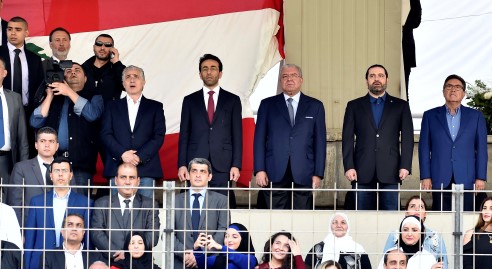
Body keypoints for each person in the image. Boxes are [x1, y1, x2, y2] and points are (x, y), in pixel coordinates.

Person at [342, 64, 414, 210]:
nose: (377, 79)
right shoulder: (354, 106)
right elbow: (347, 139)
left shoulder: (400, 106)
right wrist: (349, 166)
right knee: (362, 217)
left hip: (391, 171)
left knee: (390, 217)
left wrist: (405, 166)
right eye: (372, 76)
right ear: (366, 81)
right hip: (361, 171)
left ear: (387, 79)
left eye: (381, 76)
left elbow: (408, 138)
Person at [254, 63, 326, 209]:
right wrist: (260, 170)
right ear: (281, 80)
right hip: (274, 169)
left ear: (301, 80)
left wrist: (318, 174)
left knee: (302, 216)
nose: (289, 79)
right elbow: (259, 140)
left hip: (304, 170)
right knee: (275, 216)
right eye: (285, 76)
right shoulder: (267, 105)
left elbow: (320, 143)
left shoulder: (315, 106)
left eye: (294, 75)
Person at [178, 54, 243, 206]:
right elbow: (184, 135)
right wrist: (182, 164)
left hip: (223, 164)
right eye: (205, 69)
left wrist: (236, 165)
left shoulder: (232, 100)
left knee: (221, 206)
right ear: (200, 74)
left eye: (213, 68)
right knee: (194, 206)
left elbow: (237, 136)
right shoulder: (189, 100)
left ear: (220, 73)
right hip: (195, 163)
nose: (209, 72)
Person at [29, 61, 104, 190]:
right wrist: (49, 96)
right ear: (63, 77)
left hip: (81, 165)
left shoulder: (94, 97)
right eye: (68, 71)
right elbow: (35, 122)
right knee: (51, 201)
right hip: (53, 163)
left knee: (79, 202)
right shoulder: (54, 98)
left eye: (77, 70)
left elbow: (92, 115)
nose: (73, 72)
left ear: (85, 78)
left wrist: (69, 91)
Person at [418, 74, 488, 211]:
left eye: (457, 87)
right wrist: (426, 176)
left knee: (466, 216)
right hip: (439, 176)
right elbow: (424, 148)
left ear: (464, 93)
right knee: (441, 217)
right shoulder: (430, 116)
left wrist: (480, 177)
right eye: (449, 86)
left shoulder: (476, 116)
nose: (453, 90)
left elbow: (481, 149)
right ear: (443, 91)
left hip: (467, 177)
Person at [23, 156, 91, 269]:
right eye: (56, 171)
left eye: (64, 170)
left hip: (73, 264)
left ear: (71, 175)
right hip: (39, 265)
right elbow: (30, 240)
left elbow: (87, 240)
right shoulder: (37, 202)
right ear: (51, 175)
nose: (60, 174)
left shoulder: (85, 203)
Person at [100, 65, 166, 189]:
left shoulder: (155, 107)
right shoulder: (111, 106)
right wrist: (122, 153)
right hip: (117, 166)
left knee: (145, 202)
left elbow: (158, 136)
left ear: (143, 82)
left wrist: (139, 156)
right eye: (128, 77)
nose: (132, 80)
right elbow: (105, 134)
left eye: (136, 76)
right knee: (116, 202)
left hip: (146, 168)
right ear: (123, 83)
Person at [382, 196, 450, 269]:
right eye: (412, 206)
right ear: (406, 212)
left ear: (426, 213)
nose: (417, 209)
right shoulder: (395, 235)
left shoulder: (436, 236)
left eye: (421, 207)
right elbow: (385, 262)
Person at [90, 162, 160, 261]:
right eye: (123, 177)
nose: (127, 182)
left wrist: (130, 253)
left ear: (138, 181)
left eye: (132, 178)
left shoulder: (150, 205)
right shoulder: (101, 203)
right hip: (110, 262)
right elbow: (96, 234)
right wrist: (115, 253)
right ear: (116, 180)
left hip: (139, 263)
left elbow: (153, 236)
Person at [304, 212, 374, 269]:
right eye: (335, 222)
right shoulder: (317, 249)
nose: (339, 225)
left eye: (343, 222)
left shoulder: (358, 250)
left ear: (348, 226)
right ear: (330, 226)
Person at [373, 216, 442, 269]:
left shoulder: (429, 257)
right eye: (405, 230)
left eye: (414, 230)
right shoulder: (390, 254)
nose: (409, 234)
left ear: (421, 233)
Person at [8, 127, 57, 223]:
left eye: (51, 141)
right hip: (30, 225)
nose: (47, 145)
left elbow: (72, 201)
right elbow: (15, 204)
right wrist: (20, 230)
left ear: (57, 146)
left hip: (59, 226)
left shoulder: (65, 168)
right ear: (36, 145)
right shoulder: (21, 168)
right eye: (42, 141)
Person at [0, 16, 44, 121]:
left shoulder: (35, 58)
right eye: (9, 29)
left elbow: (39, 86)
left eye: (18, 29)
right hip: (2, 110)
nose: (13, 33)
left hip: (28, 112)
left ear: (26, 33)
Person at [0, 57, 29, 187]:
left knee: (7, 197)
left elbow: (22, 137)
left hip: (7, 161)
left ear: (4, 73)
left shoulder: (15, 98)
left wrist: (24, 167)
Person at [82, 33, 125, 103]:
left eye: (107, 45)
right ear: (94, 47)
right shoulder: (82, 69)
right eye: (99, 44)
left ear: (113, 49)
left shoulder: (117, 68)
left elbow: (127, 87)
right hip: (86, 110)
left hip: (111, 110)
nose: (102, 48)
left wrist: (117, 62)